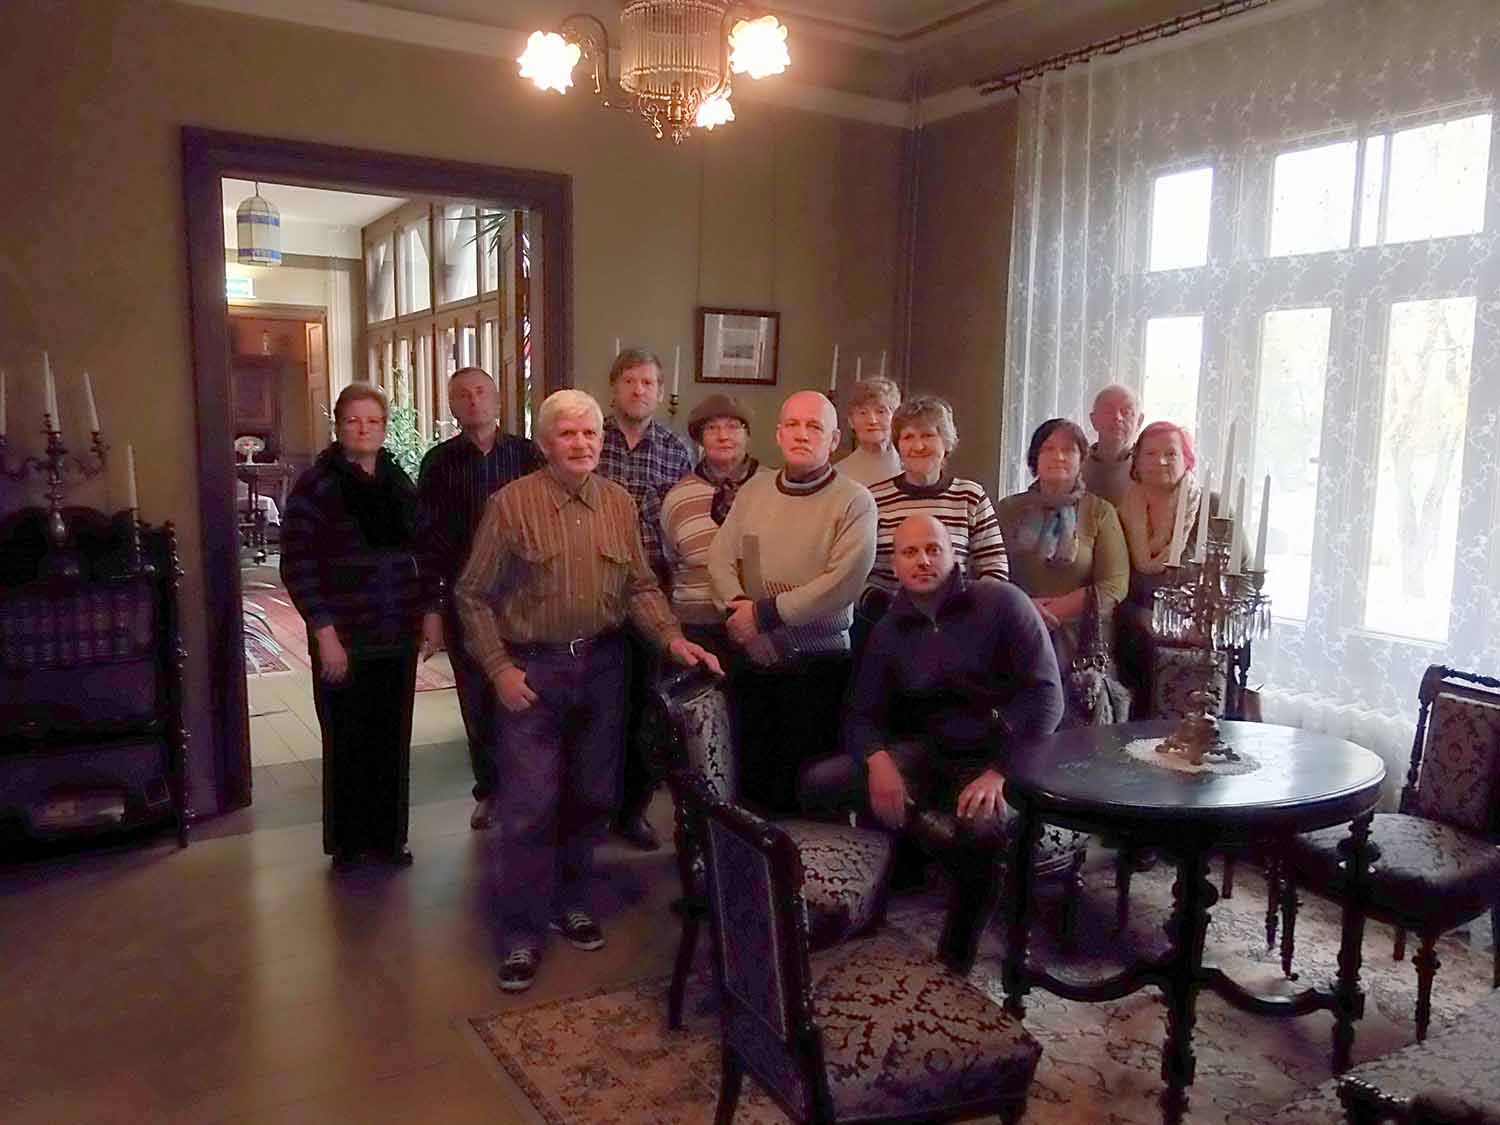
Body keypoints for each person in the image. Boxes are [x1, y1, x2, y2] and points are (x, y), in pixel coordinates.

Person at [454, 389, 720, 993]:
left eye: (590, 433)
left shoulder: (619, 504)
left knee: (592, 796)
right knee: (529, 808)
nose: (581, 444)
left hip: (602, 668)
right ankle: (521, 932)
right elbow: (472, 595)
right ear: (545, 443)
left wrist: (673, 639)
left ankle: (571, 902)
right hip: (532, 673)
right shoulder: (511, 505)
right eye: (568, 434)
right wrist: (498, 668)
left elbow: (639, 588)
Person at [799, 515, 1063, 965]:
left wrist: (1001, 772)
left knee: (981, 827)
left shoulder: (1001, 602)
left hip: (1007, 755)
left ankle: (955, 958)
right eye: (910, 552)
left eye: (932, 549)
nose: (922, 561)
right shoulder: (888, 630)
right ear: (895, 565)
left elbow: (1046, 698)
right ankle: (858, 903)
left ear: (954, 554)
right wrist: (879, 762)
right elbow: (860, 714)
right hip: (934, 752)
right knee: (820, 781)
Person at [280, 382, 441, 870]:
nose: (363, 429)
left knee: (391, 740)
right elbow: (298, 565)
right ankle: (348, 844)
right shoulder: (316, 485)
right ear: (338, 426)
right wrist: (324, 634)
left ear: (385, 427)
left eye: (373, 421)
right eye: (353, 420)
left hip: (395, 632)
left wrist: (431, 611)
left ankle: (389, 840)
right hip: (343, 638)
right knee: (347, 741)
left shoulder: (398, 482)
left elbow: (426, 551)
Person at [707, 390, 877, 813]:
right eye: (794, 426)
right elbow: (720, 558)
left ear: (834, 440)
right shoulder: (754, 490)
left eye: (815, 427)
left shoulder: (855, 501)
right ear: (779, 434)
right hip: (753, 659)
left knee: (806, 793)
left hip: (818, 670)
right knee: (750, 789)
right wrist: (740, 612)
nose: (802, 435)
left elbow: (842, 584)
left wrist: (764, 616)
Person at [416, 366, 543, 831]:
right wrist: (432, 608)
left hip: (522, 595)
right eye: (463, 395)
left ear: (498, 401)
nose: (474, 401)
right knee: (477, 697)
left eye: (481, 392)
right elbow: (426, 542)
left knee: (526, 692)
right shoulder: (439, 463)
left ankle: (526, 790)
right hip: (464, 597)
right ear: (452, 406)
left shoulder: (527, 455)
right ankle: (488, 790)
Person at [597, 347, 696, 852]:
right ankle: (590, 806)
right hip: (595, 580)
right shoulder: (591, 438)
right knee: (596, 700)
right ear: (614, 388)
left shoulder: (677, 450)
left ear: (659, 392)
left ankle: (632, 810)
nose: (639, 390)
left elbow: (685, 523)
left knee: (643, 702)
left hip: (651, 584)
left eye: (648, 383)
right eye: (630, 381)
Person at [996, 418, 1129, 694]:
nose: (1058, 456)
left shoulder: (1100, 512)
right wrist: (1026, 611)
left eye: (1068, 449)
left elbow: (1114, 585)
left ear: (1082, 459)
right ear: (1035, 458)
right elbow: (987, 572)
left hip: (1080, 645)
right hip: (1015, 632)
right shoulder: (1007, 509)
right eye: (1048, 448)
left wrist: (1051, 613)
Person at [1115, 420, 1212, 713]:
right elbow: (1112, 584)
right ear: (1136, 463)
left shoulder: (1212, 509)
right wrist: (1140, 617)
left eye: (1171, 454)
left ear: (1187, 460)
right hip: (1137, 644)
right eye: (1150, 454)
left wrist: (1208, 623)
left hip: (1197, 649)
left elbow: (1242, 579)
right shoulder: (1119, 513)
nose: (1160, 461)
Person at [866, 395, 1008, 595]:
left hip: (958, 610)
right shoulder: (873, 499)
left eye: (927, 435)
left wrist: (969, 606)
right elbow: (857, 572)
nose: (918, 446)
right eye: (908, 437)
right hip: (889, 610)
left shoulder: (970, 496)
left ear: (946, 443)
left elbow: (995, 568)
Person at [659, 393, 759, 663]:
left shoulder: (772, 487)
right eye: (712, 428)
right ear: (699, 439)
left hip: (761, 627)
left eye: (733, 426)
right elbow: (670, 562)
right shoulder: (678, 497)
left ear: (747, 434)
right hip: (696, 630)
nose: (723, 436)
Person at [835, 376, 903, 486]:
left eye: (880, 412)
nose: (872, 420)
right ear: (851, 421)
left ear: (896, 417)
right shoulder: (839, 475)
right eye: (863, 413)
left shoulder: (913, 467)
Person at [1082, 383, 1141, 507]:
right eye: (1108, 411)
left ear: (1139, 421)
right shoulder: (1077, 465)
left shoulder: (1148, 466)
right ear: (1093, 420)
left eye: (1126, 412)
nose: (1117, 417)